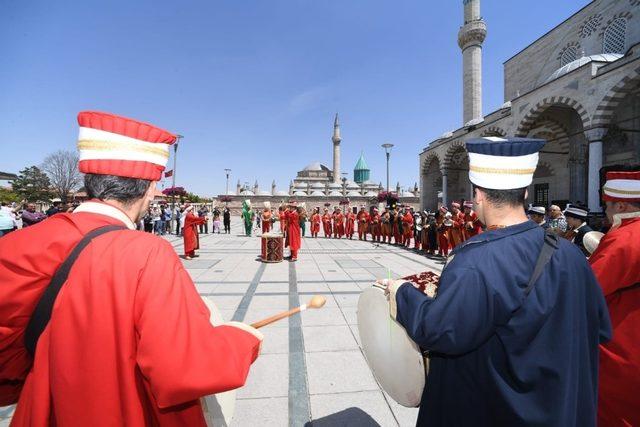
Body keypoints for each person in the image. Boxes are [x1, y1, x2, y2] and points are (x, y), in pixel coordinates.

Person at [0, 111, 262, 425]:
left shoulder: (17, 244)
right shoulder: (146, 253)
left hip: (43, 410)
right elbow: (184, 369)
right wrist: (240, 339)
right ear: (150, 187)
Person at [383, 137, 611, 426]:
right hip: (560, 408)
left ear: (478, 195)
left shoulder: (476, 260)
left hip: (501, 411)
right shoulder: (571, 254)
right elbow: (599, 329)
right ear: (525, 192)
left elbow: (439, 331)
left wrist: (403, 293)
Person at [588, 170, 640, 427]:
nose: (606, 214)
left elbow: (589, 289)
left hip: (624, 342)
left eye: (606, 206)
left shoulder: (624, 238)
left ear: (620, 205)